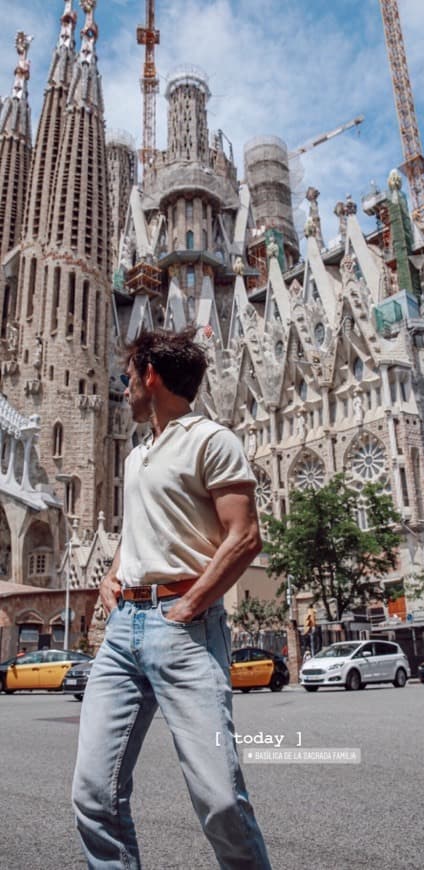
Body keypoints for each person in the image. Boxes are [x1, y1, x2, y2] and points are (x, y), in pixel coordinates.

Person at [72, 327, 272, 870]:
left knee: (220, 800)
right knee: (93, 792)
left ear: (149, 374)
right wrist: (114, 577)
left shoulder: (211, 440)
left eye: (127, 376)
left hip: (182, 627)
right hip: (122, 633)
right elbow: (136, 533)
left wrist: (188, 605)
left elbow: (246, 535)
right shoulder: (138, 457)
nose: (124, 387)